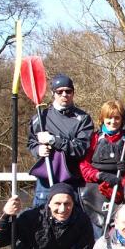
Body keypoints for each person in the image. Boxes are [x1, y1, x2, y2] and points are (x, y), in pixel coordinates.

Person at [27, 74, 94, 206]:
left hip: (71, 180)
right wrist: (38, 149)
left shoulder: (83, 119)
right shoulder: (41, 118)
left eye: (68, 91)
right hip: (45, 181)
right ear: (53, 93)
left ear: (73, 93)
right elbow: (31, 143)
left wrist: (53, 140)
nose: (64, 94)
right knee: (41, 221)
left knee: (70, 222)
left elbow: (81, 149)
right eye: (60, 91)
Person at [79, 99, 125, 237]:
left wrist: (124, 176)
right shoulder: (95, 138)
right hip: (95, 192)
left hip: (118, 189)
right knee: (97, 233)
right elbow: (83, 165)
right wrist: (99, 175)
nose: (113, 121)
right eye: (109, 118)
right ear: (102, 119)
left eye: (117, 118)